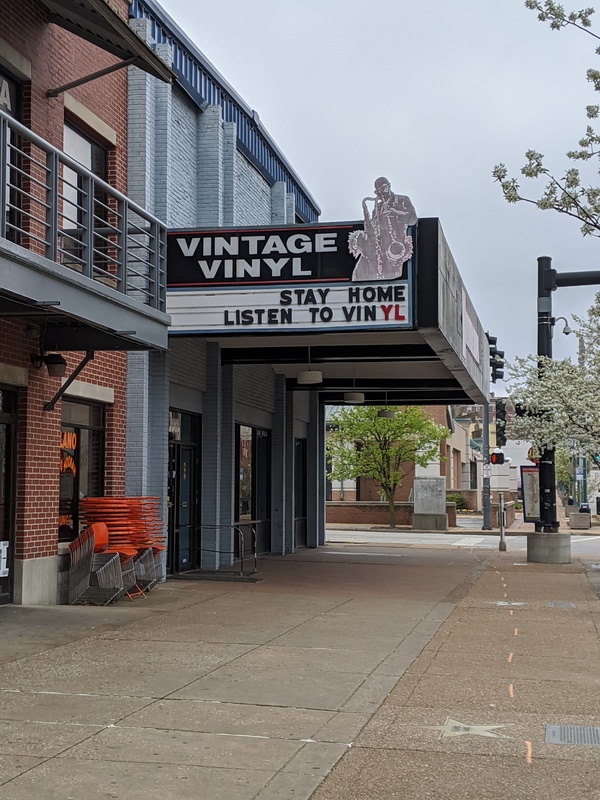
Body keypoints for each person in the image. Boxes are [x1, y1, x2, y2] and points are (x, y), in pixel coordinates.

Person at [349, 177, 417, 281]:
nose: (381, 194)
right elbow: (374, 226)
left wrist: (396, 212)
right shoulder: (378, 206)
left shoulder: (403, 200)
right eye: (378, 191)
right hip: (381, 248)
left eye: (383, 189)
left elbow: (413, 219)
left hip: (397, 245)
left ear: (389, 186)